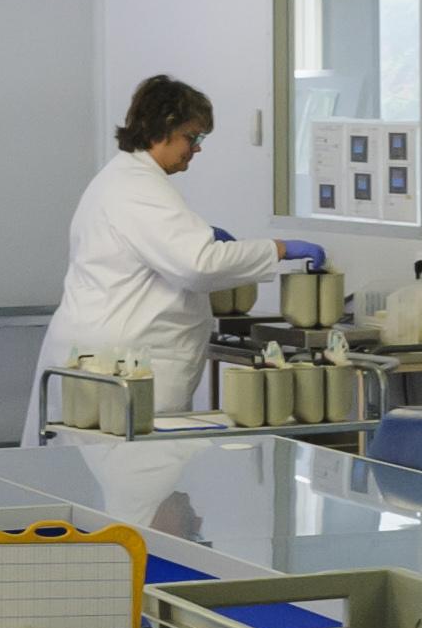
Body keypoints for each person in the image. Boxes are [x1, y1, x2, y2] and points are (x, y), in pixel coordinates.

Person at [32, 75, 319, 422]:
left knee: (84, 450)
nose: (197, 148)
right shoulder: (139, 186)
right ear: (163, 128)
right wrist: (277, 248)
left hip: (100, 350)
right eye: (191, 136)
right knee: (132, 454)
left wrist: (204, 236)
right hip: (123, 359)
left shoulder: (121, 178)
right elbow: (198, 265)